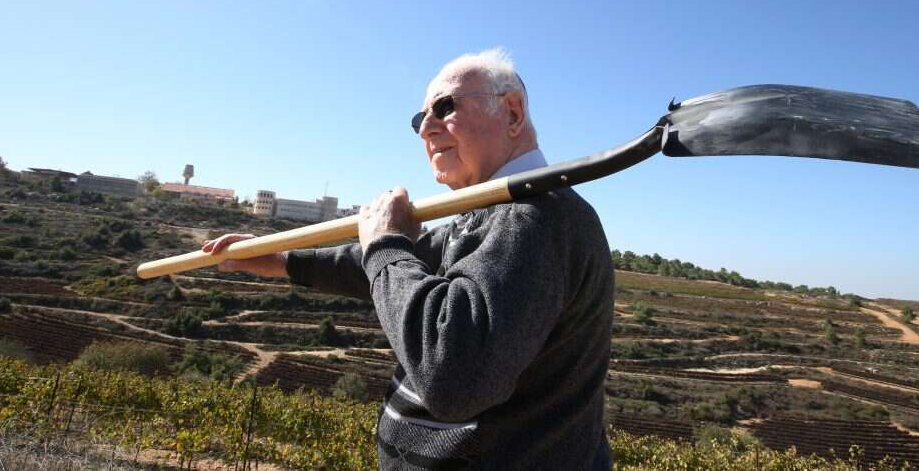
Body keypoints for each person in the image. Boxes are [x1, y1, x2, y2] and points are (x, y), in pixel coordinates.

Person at [203, 48, 614, 470]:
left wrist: (385, 244)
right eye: (420, 120)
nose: (426, 129)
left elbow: (453, 377)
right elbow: (397, 264)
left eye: (445, 107)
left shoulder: (533, 218)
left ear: (512, 112)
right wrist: (284, 259)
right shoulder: (492, 216)